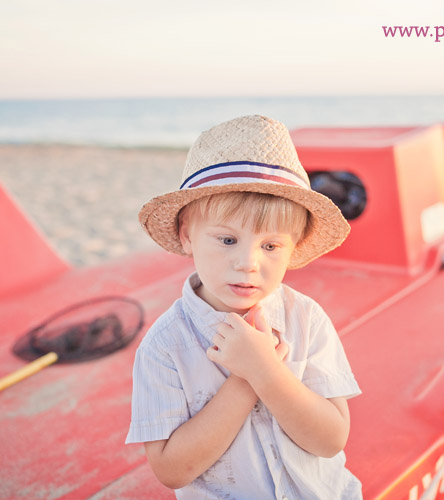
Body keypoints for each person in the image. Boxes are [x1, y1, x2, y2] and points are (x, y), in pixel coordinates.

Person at [126, 115, 362, 499]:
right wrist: (245, 379)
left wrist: (266, 370)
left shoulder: (306, 319)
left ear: (294, 246)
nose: (248, 263)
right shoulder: (165, 346)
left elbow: (331, 440)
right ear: (188, 236)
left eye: (270, 246)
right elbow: (171, 470)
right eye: (227, 240)